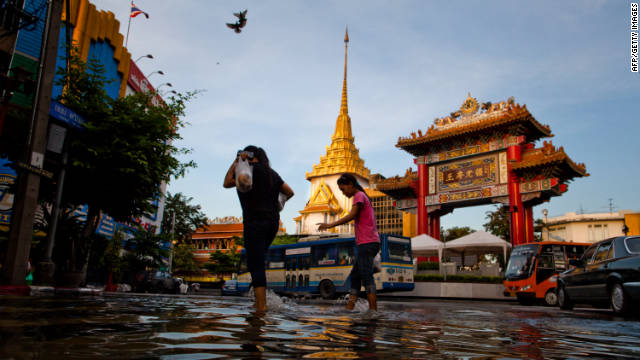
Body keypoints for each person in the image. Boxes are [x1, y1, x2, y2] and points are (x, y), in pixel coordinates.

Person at [224, 145, 294, 312]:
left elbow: (227, 183)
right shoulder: (272, 174)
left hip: (254, 221)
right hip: (272, 223)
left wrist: (236, 162)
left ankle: (261, 306)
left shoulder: (247, 170)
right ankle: (259, 300)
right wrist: (277, 203)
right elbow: (290, 192)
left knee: (255, 263)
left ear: (248, 155)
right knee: (257, 260)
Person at [317, 173, 380, 311]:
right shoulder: (363, 196)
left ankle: (373, 311)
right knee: (356, 276)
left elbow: (352, 215)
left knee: (366, 275)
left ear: (351, 185)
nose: (343, 193)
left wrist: (329, 225)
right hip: (370, 242)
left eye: (343, 189)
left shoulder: (359, 196)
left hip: (367, 243)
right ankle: (349, 307)